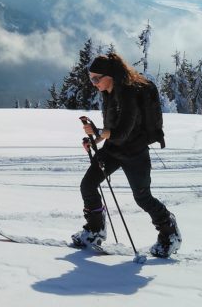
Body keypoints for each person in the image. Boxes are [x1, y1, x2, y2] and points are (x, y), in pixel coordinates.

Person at [72, 52, 182, 258]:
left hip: (135, 152)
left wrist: (98, 133)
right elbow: (112, 131)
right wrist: (95, 140)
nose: (93, 83)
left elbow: (123, 131)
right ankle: (95, 230)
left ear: (110, 76)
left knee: (142, 198)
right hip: (113, 149)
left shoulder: (129, 94)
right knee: (88, 185)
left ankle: (170, 233)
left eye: (96, 78)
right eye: (91, 78)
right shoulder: (109, 93)